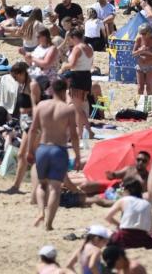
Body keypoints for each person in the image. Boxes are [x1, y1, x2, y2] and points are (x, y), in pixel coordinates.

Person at [29, 78, 81, 230]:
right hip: (59, 149)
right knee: (55, 188)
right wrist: (77, 155)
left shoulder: (41, 105)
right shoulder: (68, 109)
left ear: (51, 90)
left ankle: (40, 212)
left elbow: (33, 130)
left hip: (43, 148)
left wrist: (29, 151)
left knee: (41, 185)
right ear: (65, 90)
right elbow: (74, 135)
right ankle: (49, 224)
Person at [59, 28, 93, 139]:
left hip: (77, 77)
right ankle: (87, 130)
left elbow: (72, 64)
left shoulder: (77, 48)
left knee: (78, 108)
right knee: (79, 107)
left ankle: (83, 132)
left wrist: (64, 66)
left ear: (74, 38)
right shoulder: (89, 47)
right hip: (87, 76)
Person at [105, 178, 152, 248]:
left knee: (107, 232)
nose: (120, 192)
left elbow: (107, 217)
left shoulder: (124, 200)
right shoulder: (147, 204)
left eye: (122, 189)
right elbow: (150, 229)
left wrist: (118, 224)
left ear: (127, 190)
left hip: (125, 237)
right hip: (143, 239)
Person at [131, 24, 152, 100]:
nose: (142, 35)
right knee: (140, 88)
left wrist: (149, 52)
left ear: (149, 33)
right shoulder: (139, 39)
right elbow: (133, 54)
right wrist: (140, 51)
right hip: (140, 65)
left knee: (149, 87)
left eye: (144, 34)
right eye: (141, 33)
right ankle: (138, 106)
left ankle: (149, 107)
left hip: (151, 66)